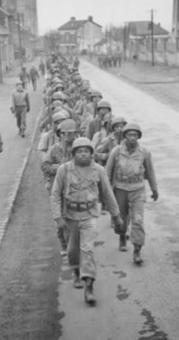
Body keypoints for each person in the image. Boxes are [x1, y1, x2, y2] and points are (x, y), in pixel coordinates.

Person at [51, 137, 123, 305]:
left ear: (91, 154)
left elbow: (107, 193)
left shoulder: (98, 170)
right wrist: (58, 218)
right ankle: (76, 272)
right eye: (79, 152)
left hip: (89, 215)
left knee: (87, 249)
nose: (83, 154)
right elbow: (55, 195)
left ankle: (89, 286)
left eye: (86, 151)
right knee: (72, 250)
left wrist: (116, 215)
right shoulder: (64, 170)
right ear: (73, 154)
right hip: (70, 217)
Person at [105, 123, 158, 263]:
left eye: (135, 135)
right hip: (120, 189)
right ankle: (122, 237)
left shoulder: (144, 152)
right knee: (121, 218)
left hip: (138, 189)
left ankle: (137, 251)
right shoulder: (116, 151)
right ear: (125, 136)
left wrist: (154, 189)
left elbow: (150, 171)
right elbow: (107, 172)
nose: (132, 138)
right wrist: (106, 192)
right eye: (130, 135)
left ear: (138, 137)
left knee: (138, 220)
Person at [41, 119, 78, 255]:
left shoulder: (80, 149)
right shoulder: (54, 149)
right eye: (64, 134)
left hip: (76, 189)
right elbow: (45, 166)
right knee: (60, 220)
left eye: (71, 134)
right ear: (60, 134)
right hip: (58, 188)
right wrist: (61, 168)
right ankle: (63, 243)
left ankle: (74, 245)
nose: (67, 137)